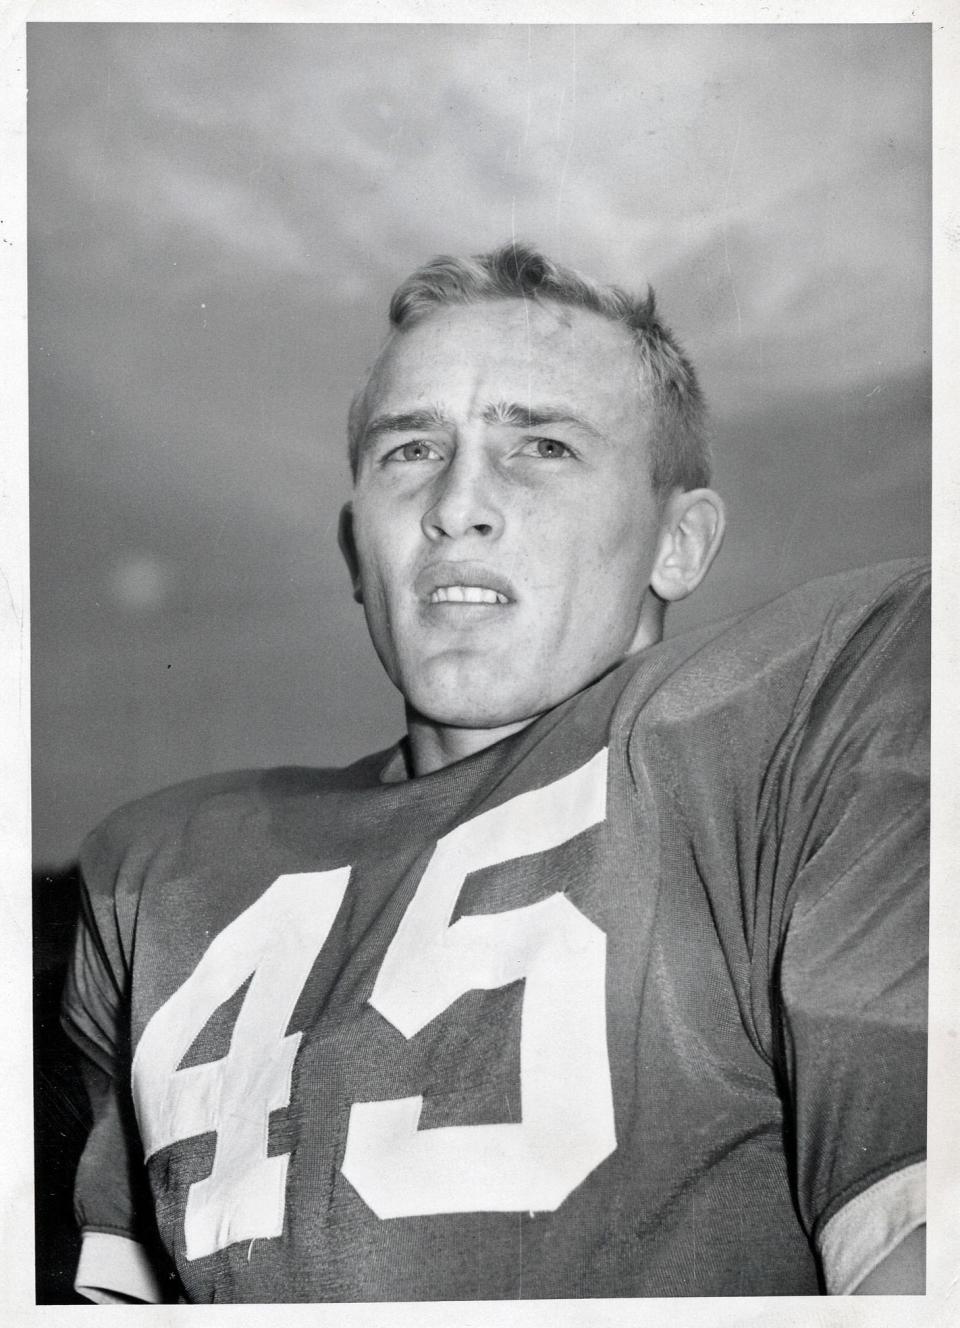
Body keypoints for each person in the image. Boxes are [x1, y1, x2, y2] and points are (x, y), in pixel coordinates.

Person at [61, 242, 928, 1303]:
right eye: (410, 449)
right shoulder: (154, 874)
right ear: (354, 549)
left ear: (679, 541)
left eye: (544, 446)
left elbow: (915, 1255)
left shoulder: (820, 711)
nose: (457, 503)